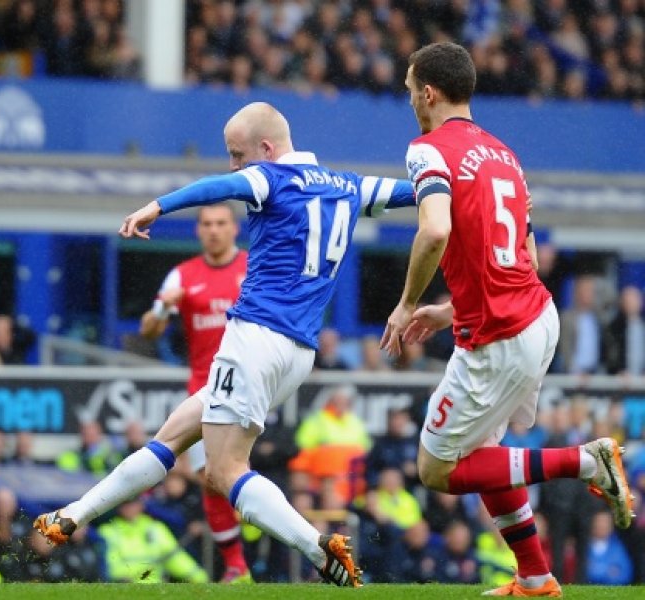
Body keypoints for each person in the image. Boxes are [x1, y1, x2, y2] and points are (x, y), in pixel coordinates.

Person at [35, 101, 419, 588]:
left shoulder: (272, 178)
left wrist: (157, 205)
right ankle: (70, 516)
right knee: (173, 436)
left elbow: (220, 188)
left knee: (221, 471)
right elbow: (415, 194)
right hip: (298, 353)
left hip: (254, 336)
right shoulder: (349, 185)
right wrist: (468, 192)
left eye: (238, 154)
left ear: (266, 149)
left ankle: (318, 548)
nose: (234, 165)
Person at [380, 42, 635, 597]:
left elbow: (436, 230)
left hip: (499, 336)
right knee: (486, 453)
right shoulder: (505, 156)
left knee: (436, 469)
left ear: (427, 92)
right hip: (536, 313)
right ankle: (536, 577)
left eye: (408, 89)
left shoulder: (426, 149)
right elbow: (521, 249)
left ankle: (587, 462)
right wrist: (451, 309)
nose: (409, 100)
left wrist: (403, 304)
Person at [137, 201, 253, 583]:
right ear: (199, 231)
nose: (214, 230)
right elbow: (149, 331)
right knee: (212, 478)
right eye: (206, 224)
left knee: (234, 474)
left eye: (221, 223)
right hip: (204, 389)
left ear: (234, 229)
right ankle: (238, 566)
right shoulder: (182, 277)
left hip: (251, 386)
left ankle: (256, 552)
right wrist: (159, 313)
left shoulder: (254, 268)